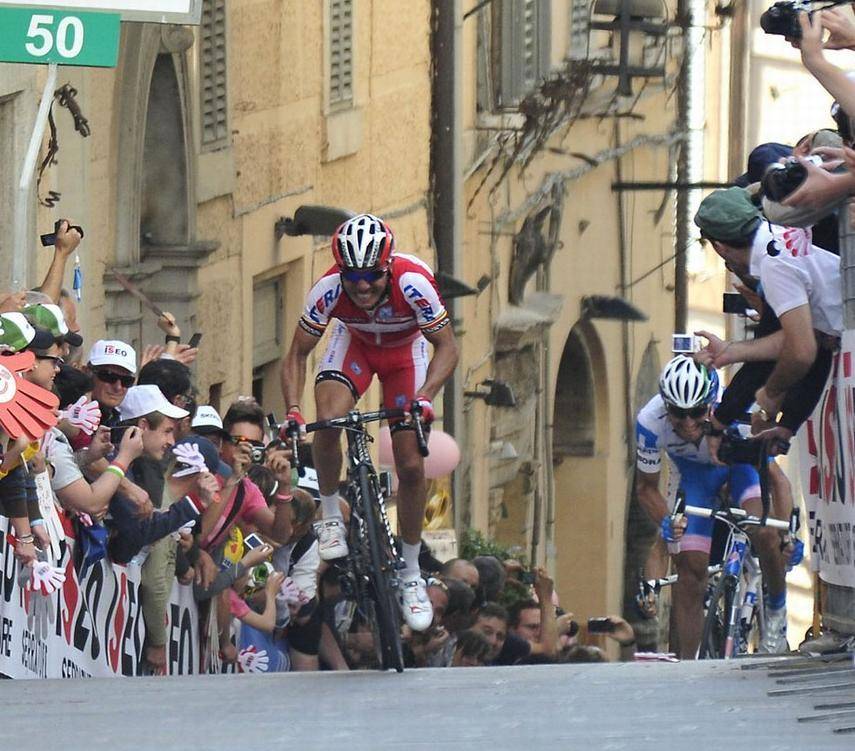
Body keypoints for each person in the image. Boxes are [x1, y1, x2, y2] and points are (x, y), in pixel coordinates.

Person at [280, 213, 459, 631]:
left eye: (372, 276)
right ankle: (329, 516)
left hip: (405, 354)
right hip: (355, 346)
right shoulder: (326, 290)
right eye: (352, 277)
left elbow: (447, 348)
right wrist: (292, 408)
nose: (362, 287)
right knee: (326, 421)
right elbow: (296, 355)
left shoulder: (413, 282)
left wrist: (425, 397)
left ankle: (411, 572)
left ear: (388, 266)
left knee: (411, 464)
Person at [635, 355, 789, 656]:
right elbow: (645, 488)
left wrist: (784, 532)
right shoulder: (649, 422)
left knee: (764, 532)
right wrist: (667, 521)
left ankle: (776, 611)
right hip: (693, 477)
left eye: (697, 412)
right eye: (679, 414)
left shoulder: (736, 410)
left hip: (738, 467)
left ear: (711, 404)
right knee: (691, 571)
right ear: (666, 407)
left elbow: (778, 480)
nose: (689, 423)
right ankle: (691, 666)